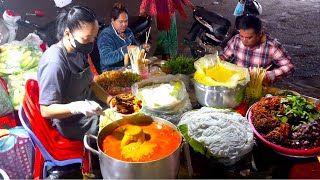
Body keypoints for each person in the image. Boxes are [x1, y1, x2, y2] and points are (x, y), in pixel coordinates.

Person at [37, 6, 113, 141]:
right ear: (67, 33)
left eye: (94, 38)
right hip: (74, 122)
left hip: (91, 105)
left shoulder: (78, 50)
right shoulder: (54, 63)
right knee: (116, 130)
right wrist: (76, 107)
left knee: (123, 114)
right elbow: (46, 110)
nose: (91, 43)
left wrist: (110, 100)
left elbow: (91, 83)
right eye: (87, 38)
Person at [219, 15, 294, 85]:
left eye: (249, 38)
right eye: (242, 36)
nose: (244, 40)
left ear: (260, 34)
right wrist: (216, 61)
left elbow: (289, 66)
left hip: (260, 85)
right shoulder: (236, 40)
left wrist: (271, 74)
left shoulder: (272, 46)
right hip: (237, 83)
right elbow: (224, 56)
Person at [97, 2, 150, 72]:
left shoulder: (127, 31)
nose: (124, 24)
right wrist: (125, 50)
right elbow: (105, 59)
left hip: (129, 69)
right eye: (121, 22)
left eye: (126, 21)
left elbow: (135, 48)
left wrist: (142, 48)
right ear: (113, 20)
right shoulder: (106, 36)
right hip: (112, 73)